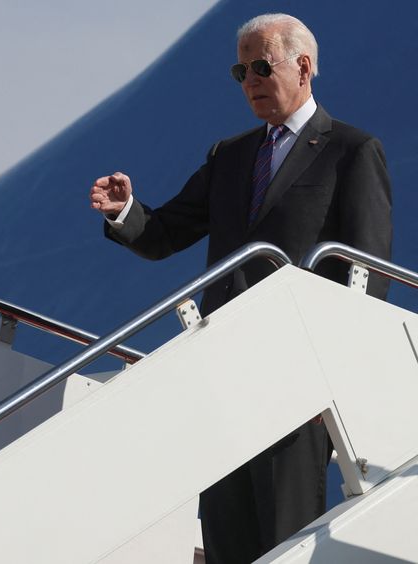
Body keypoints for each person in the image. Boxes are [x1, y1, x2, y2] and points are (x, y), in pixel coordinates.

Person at [89, 13, 392, 564]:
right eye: (240, 70)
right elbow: (164, 234)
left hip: (297, 378)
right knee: (226, 533)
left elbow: (367, 277)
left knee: (287, 533)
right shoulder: (229, 156)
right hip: (223, 371)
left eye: (260, 66)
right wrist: (125, 212)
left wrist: (341, 374)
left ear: (303, 67)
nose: (249, 80)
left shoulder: (351, 151)